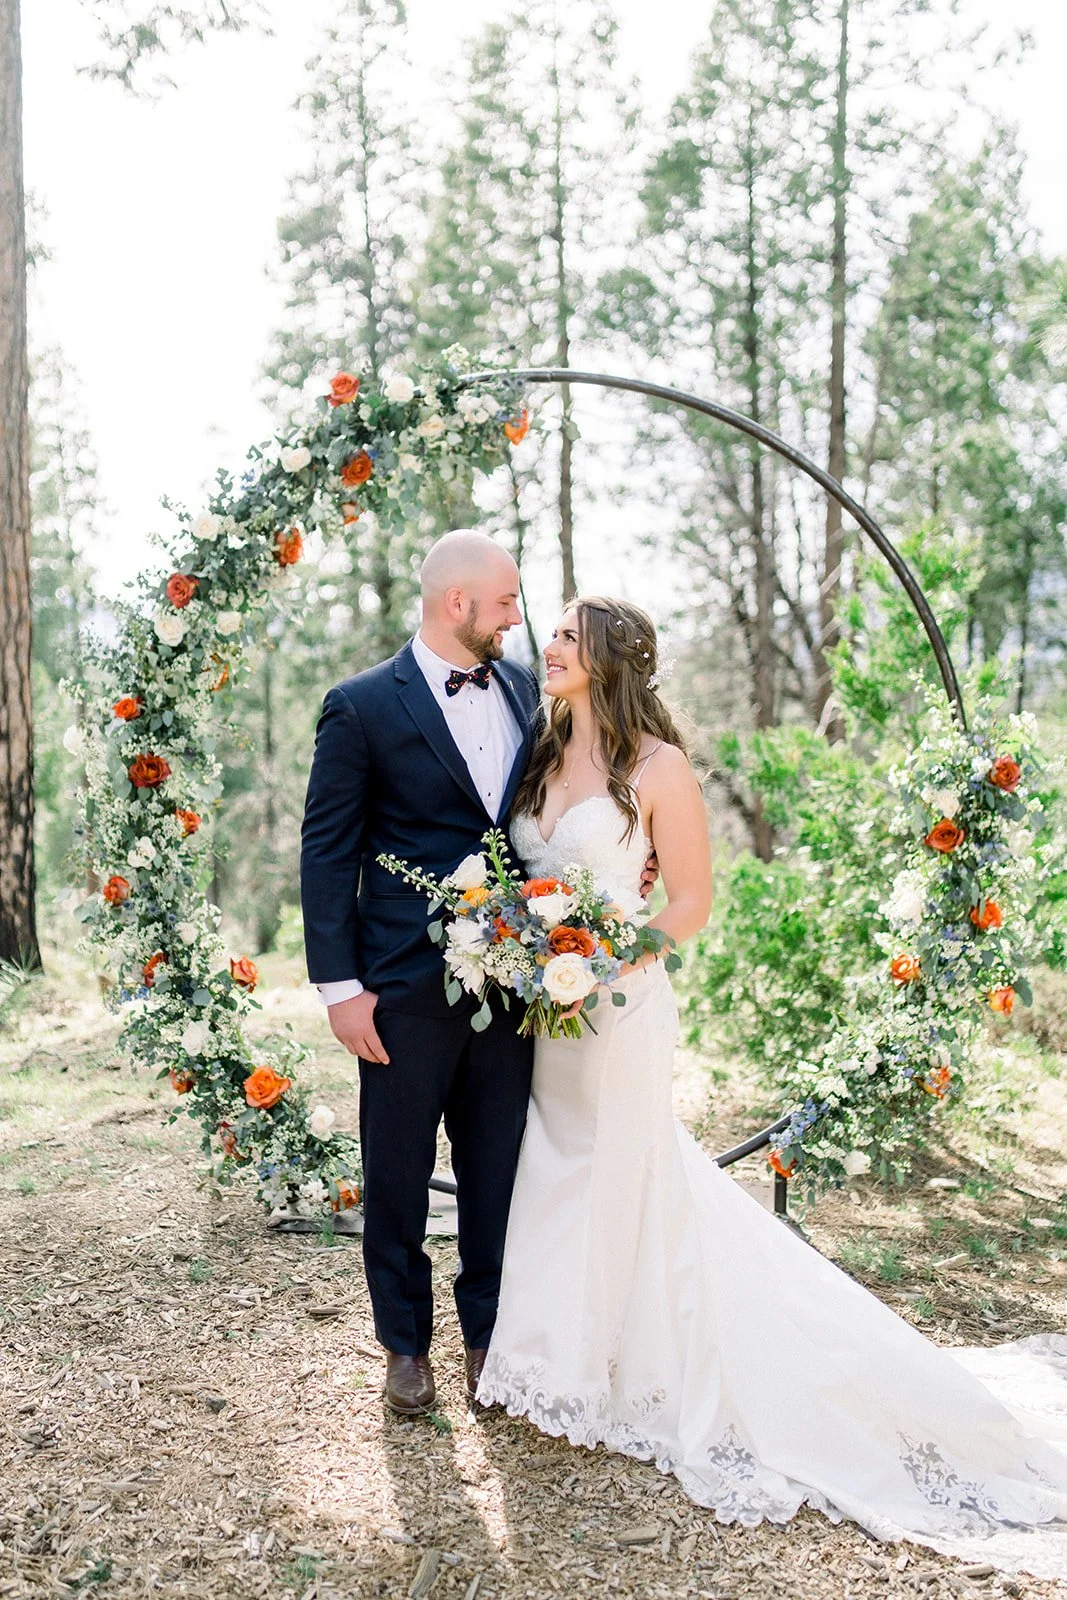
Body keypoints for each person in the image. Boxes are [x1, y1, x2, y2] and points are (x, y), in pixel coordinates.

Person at [478, 593, 1067, 1580]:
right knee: (560, 1167)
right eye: (554, 633)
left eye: (572, 635)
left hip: (618, 1008)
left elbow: (693, 899)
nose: (553, 646)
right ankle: (558, 1363)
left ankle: (621, 1376)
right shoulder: (537, 754)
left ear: (613, 657)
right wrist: (529, 948)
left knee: (621, 1174)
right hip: (551, 1013)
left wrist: (607, 958)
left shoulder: (655, 768)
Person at [300, 530, 540, 1417]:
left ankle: (487, 1337)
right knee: (397, 1174)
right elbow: (326, 852)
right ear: (457, 604)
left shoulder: (523, 690)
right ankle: (404, 1344)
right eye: (507, 602)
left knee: (496, 1169)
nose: (518, 617)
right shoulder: (360, 706)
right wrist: (339, 988)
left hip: (515, 980)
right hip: (399, 987)